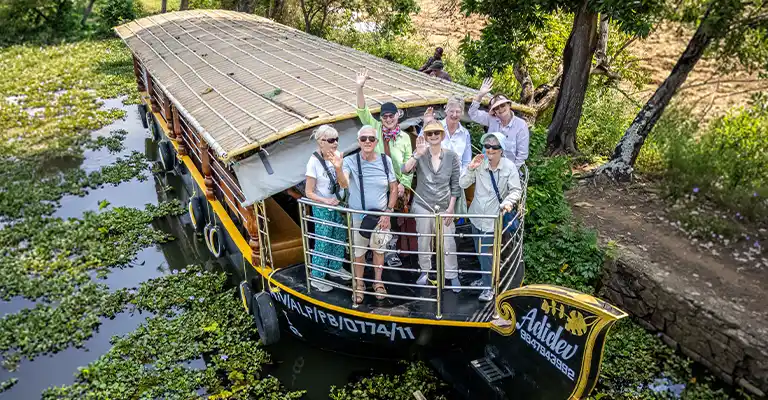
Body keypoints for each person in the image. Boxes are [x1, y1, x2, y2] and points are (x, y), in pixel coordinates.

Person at [460, 132, 522, 302]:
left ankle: (490, 288)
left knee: (486, 253)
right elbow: (462, 184)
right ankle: (484, 279)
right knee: (479, 253)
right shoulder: (479, 164)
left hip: (492, 219)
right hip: (476, 216)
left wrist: (508, 202)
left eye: (495, 146)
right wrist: (470, 167)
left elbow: (516, 190)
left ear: (502, 149)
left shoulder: (509, 167)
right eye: (487, 146)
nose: (490, 149)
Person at [402, 121, 462, 292]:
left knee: (448, 241)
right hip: (423, 204)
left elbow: (455, 185)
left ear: (442, 136)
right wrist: (416, 154)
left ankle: (452, 274)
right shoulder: (420, 154)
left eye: (437, 133)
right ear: (425, 137)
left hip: (444, 205)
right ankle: (425, 272)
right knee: (424, 240)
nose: (433, 136)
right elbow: (404, 170)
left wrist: (451, 209)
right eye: (429, 133)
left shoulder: (451, 156)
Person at [341, 126, 399, 304]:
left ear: (376, 142)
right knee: (358, 252)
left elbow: (394, 187)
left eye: (371, 139)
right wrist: (337, 167)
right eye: (364, 138)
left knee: (379, 250)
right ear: (358, 141)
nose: (367, 141)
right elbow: (343, 183)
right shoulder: (350, 161)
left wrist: (388, 212)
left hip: (381, 216)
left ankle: (378, 282)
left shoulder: (385, 161)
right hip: (359, 216)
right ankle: (359, 284)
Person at [304, 125, 350, 292]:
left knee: (339, 235)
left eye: (337, 139)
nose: (335, 143)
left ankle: (335, 266)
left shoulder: (338, 156)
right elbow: (308, 192)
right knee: (323, 240)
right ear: (321, 142)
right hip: (323, 207)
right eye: (331, 140)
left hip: (337, 203)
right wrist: (325, 200)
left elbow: (344, 183)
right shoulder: (313, 162)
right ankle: (317, 276)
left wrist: (338, 167)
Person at [422, 96, 471, 214]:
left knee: (449, 219)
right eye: (451, 111)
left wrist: (461, 179)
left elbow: (466, 161)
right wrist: (426, 123)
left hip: (454, 182)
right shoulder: (435, 126)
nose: (454, 114)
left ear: (462, 113)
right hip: (434, 180)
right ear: (446, 110)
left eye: (458, 111)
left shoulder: (465, 133)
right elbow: (421, 145)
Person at [468, 77, 529, 168]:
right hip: (487, 166)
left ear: (509, 105)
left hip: (509, 169)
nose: (500, 109)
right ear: (494, 111)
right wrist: (480, 95)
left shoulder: (521, 125)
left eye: (502, 105)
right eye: (496, 108)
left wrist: (511, 173)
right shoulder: (491, 119)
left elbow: (522, 155)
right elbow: (472, 114)